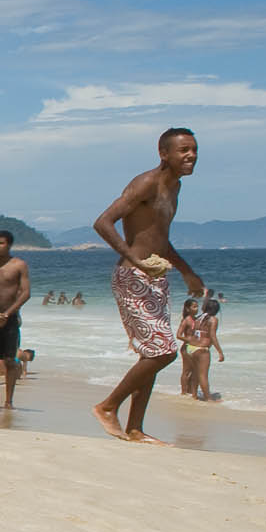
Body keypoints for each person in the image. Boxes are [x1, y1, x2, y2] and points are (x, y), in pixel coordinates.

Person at [93, 128, 204, 444]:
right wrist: (134, 259)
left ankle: (135, 428)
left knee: (152, 354)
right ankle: (107, 406)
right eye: (184, 150)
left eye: (194, 149)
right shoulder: (146, 183)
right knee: (165, 351)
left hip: (155, 277)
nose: (191, 155)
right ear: (163, 154)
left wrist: (187, 272)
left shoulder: (175, 187)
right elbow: (103, 222)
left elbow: (160, 241)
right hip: (133, 277)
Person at [0, 230, 32, 410]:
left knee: (9, 360)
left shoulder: (19, 265)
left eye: (0, 243)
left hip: (10, 318)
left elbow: (26, 293)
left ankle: (8, 401)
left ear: (9, 245)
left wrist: (7, 314)